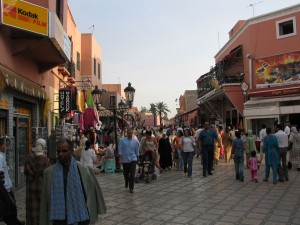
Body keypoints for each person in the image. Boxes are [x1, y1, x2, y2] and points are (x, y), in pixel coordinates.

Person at [40, 139, 106, 225]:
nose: (60, 154)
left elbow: (91, 194)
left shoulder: (84, 170)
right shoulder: (49, 173)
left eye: (64, 151)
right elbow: (45, 200)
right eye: (58, 151)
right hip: (58, 219)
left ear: (71, 151)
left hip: (80, 217)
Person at [24, 138, 50, 225]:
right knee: (41, 208)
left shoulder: (29, 159)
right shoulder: (45, 160)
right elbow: (48, 175)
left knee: (31, 208)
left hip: (31, 187)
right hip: (41, 187)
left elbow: (25, 172)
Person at [0, 138, 25, 225]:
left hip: (6, 188)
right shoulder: (0, 157)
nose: (6, 147)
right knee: (10, 210)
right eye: (4, 145)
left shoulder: (2, 156)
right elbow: (1, 174)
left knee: (10, 210)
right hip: (5, 189)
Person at [119, 128, 140, 193]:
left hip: (133, 159)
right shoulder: (122, 141)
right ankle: (126, 181)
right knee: (126, 173)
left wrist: (137, 158)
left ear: (132, 134)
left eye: (131, 133)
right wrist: (120, 158)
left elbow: (137, 151)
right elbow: (120, 149)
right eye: (128, 133)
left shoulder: (135, 141)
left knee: (132, 174)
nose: (129, 134)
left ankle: (131, 188)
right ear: (126, 134)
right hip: (125, 160)